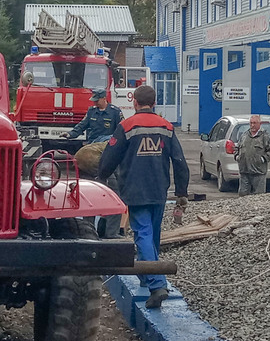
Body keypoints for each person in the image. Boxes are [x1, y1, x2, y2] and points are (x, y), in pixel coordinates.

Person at [98, 84, 189, 309]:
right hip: (159, 190)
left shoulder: (126, 126)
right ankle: (146, 275)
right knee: (153, 236)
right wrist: (181, 192)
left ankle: (157, 284)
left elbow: (110, 157)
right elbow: (179, 161)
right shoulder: (166, 127)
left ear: (135, 103)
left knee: (143, 235)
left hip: (135, 191)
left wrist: (101, 178)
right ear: (155, 103)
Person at [67, 89, 125, 237]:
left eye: (96, 100)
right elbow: (82, 125)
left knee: (114, 193)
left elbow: (121, 132)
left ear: (104, 99)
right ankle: (88, 231)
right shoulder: (92, 112)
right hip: (90, 156)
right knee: (89, 194)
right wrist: (71, 134)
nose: (94, 103)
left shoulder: (115, 112)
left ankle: (111, 233)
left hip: (107, 155)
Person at [234, 114, 270, 195]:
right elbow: (237, 147)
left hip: (258, 173)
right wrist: (237, 156)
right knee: (242, 195)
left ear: (259, 124)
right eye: (251, 123)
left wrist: (263, 159)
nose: (252, 125)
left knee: (258, 197)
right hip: (244, 171)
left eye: (254, 123)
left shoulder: (265, 136)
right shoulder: (244, 135)